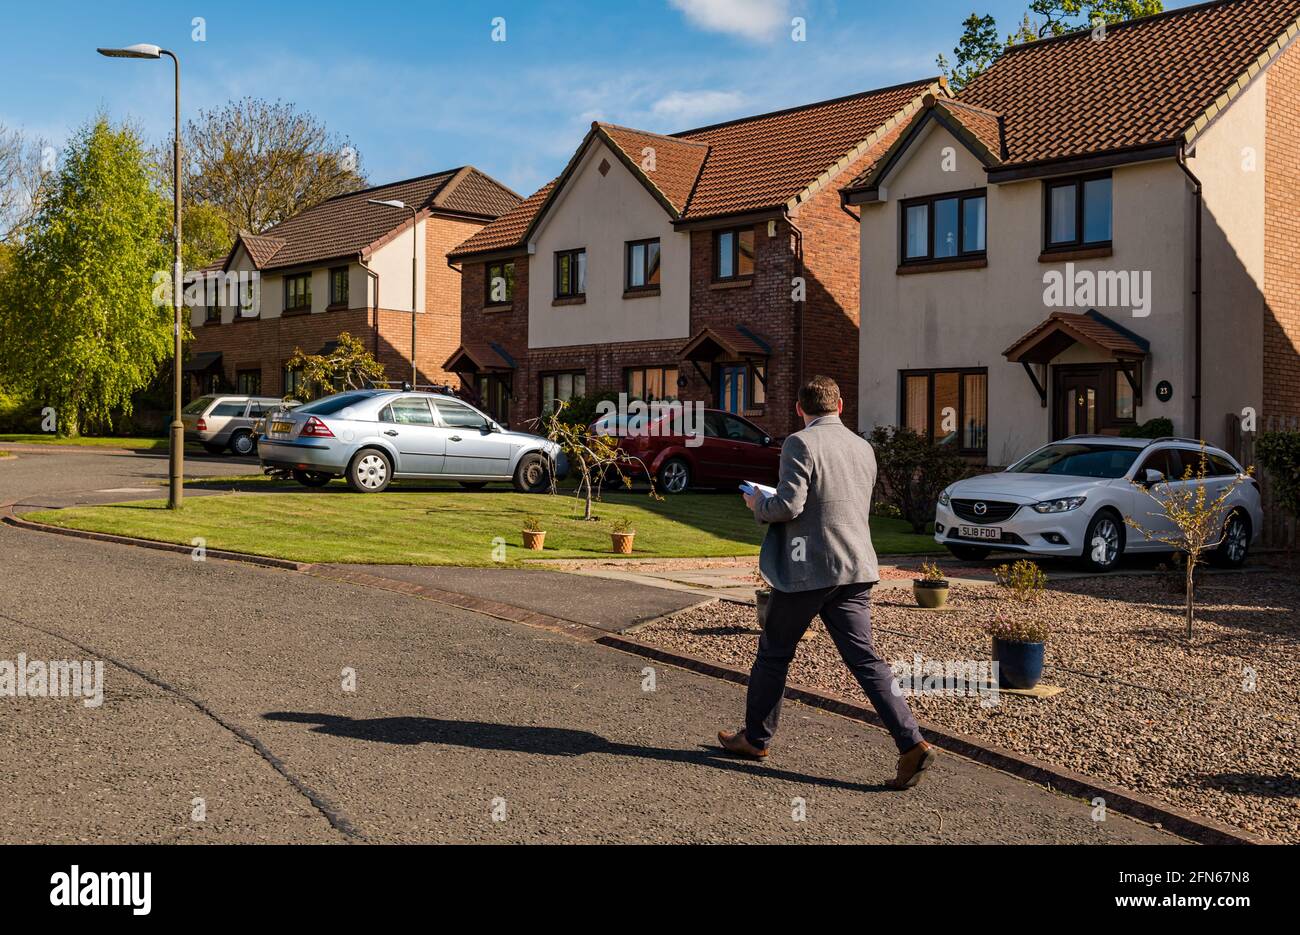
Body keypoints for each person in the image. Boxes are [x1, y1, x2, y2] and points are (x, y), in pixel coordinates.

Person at [718, 375, 936, 790]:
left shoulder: (800, 443)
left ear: (801, 409)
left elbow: (789, 505)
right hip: (855, 568)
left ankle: (756, 739)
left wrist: (757, 503)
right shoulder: (863, 446)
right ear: (840, 405)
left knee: (774, 653)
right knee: (866, 661)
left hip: (808, 569)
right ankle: (912, 743)